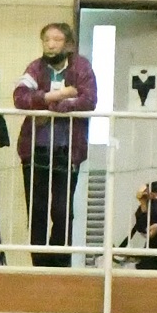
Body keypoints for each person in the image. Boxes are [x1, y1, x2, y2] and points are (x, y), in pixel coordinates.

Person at [13, 23, 97, 267]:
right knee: (36, 210)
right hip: (35, 150)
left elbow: (89, 99)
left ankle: (60, 265)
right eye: (46, 40)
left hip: (67, 151)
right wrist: (57, 95)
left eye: (57, 39)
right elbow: (20, 97)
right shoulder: (35, 68)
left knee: (62, 210)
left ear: (68, 44)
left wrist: (50, 106)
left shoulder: (81, 66)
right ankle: (38, 265)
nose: (51, 44)